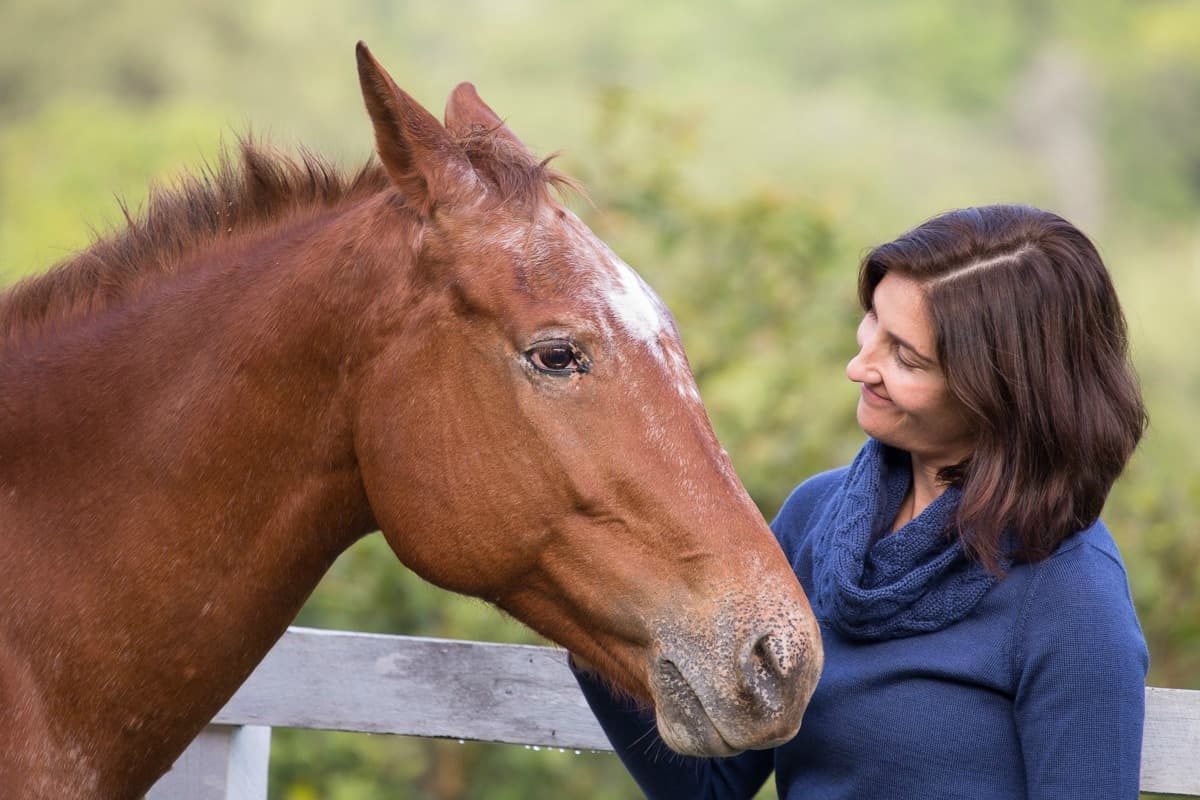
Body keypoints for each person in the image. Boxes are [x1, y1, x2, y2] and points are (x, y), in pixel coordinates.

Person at [572, 204, 1150, 799]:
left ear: (1002, 394)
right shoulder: (814, 518)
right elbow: (711, 787)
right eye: (872, 320)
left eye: (906, 357)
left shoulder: (1071, 593)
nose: (859, 365)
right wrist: (589, 612)